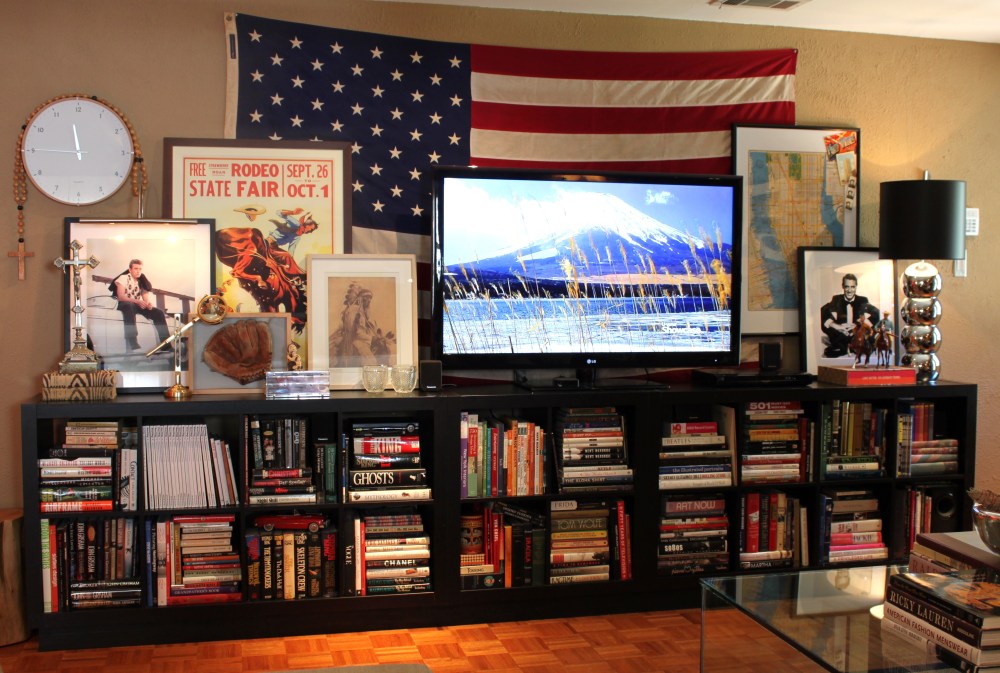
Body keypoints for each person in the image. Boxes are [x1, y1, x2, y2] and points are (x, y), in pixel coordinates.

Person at [110, 258, 171, 351]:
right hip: (124, 304)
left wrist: (148, 304)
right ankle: (132, 340)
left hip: (136, 305)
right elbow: (121, 297)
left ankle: (166, 344)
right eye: (135, 269)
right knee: (129, 305)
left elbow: (145, 296)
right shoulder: (123, 278)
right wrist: (137, 301)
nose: (138, 271)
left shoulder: (141, 280)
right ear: (130, 269)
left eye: (140, 269)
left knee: (158, 312)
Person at [820, 273, 878, 358]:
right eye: (847, 287)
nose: (850, 290)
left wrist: (860, 325)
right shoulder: (837, 299)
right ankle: (845, 349)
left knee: (869, 343)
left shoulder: (862, 300)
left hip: (857, 335)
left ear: (856, 287)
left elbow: (876, 313)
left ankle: (851, 349)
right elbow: (823, 310)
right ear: (843, 286)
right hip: (842, 335)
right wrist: (836, 326)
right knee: (831, 351)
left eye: (852, 287)